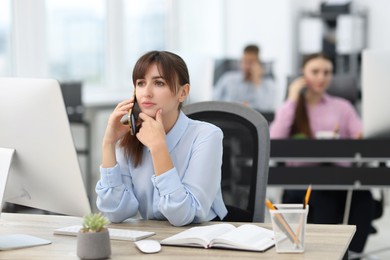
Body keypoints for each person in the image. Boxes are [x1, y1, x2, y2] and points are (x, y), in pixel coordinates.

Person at [96, 51, 228, 226]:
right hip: (153, 239)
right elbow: (116, 212)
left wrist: (158, 148)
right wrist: (109, 143)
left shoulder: (207, 136)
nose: (146, 93)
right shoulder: (129, 135)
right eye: (141, 83)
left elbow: (183, 215)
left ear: (183, 92)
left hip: (199, 238)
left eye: (159, 83)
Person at [270, 53, 375, 253]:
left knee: (364, 197)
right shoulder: (293, 107)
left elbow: (360, 136)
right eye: (315, 72)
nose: (321, 77)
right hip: (302, 181)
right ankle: (325, 254)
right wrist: (292, 97)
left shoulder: (342, 106)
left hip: (341, 178)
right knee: (323, 195)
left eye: (327, 72)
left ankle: (352, 254)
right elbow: (275, 138)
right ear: (303, 74)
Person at [213, 44, 276, 111]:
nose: (247, 66)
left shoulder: (268, 83)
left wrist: (257, 82)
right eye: (245, 62)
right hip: (228, 115)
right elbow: (213, 100)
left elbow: (266, 108)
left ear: (258, 64)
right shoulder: (228, 78)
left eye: (251, 63)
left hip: (252, 119)